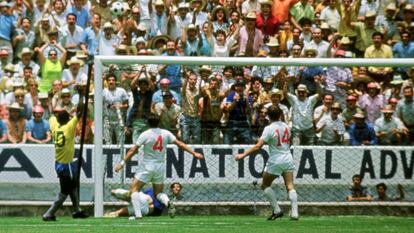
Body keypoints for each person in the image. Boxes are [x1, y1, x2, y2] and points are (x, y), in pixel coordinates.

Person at [114, 113, 204, 220]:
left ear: (148, 123)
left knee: (134, 189)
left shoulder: (145, 134)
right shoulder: (165, 133)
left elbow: (133, 150)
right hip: (160, 167)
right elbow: (180, 144)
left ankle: (138, 215)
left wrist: (122, 163)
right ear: (159, 122)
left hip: (147, 166)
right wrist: (194, 153)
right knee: (158, 193)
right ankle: (168, 202)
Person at [235, 106, 299, 221]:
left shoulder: (269, 128)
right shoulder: (286, 127)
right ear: (280, 115)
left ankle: (277, 210)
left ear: (268, 116)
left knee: (265, 184)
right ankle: (294, 213)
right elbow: (289, 140)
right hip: (288, 157)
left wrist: (243, 155)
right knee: (290, 186)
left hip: (275, 159)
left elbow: (258, 146)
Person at [42, 93, 88, 221]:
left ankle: (77, 210)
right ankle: (49, 213)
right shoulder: (68, 127)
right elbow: (80, 111)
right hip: (66, 164)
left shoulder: (55, 126)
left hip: (58, 163)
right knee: (65, 191)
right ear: (67, 119)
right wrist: (81, 96)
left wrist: (51, 99)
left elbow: (51, 112)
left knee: (72, 186)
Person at [106, 182, 184, 218]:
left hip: (148, 208)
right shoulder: (154, 191)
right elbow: (143, 194)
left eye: (178, 187)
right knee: (141, 198)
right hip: (143, 200)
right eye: (175, 186)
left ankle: (115, 212)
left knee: (121, 211)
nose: (176, 188)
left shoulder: (171, 197)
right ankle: (121, 194)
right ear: (171, 188)